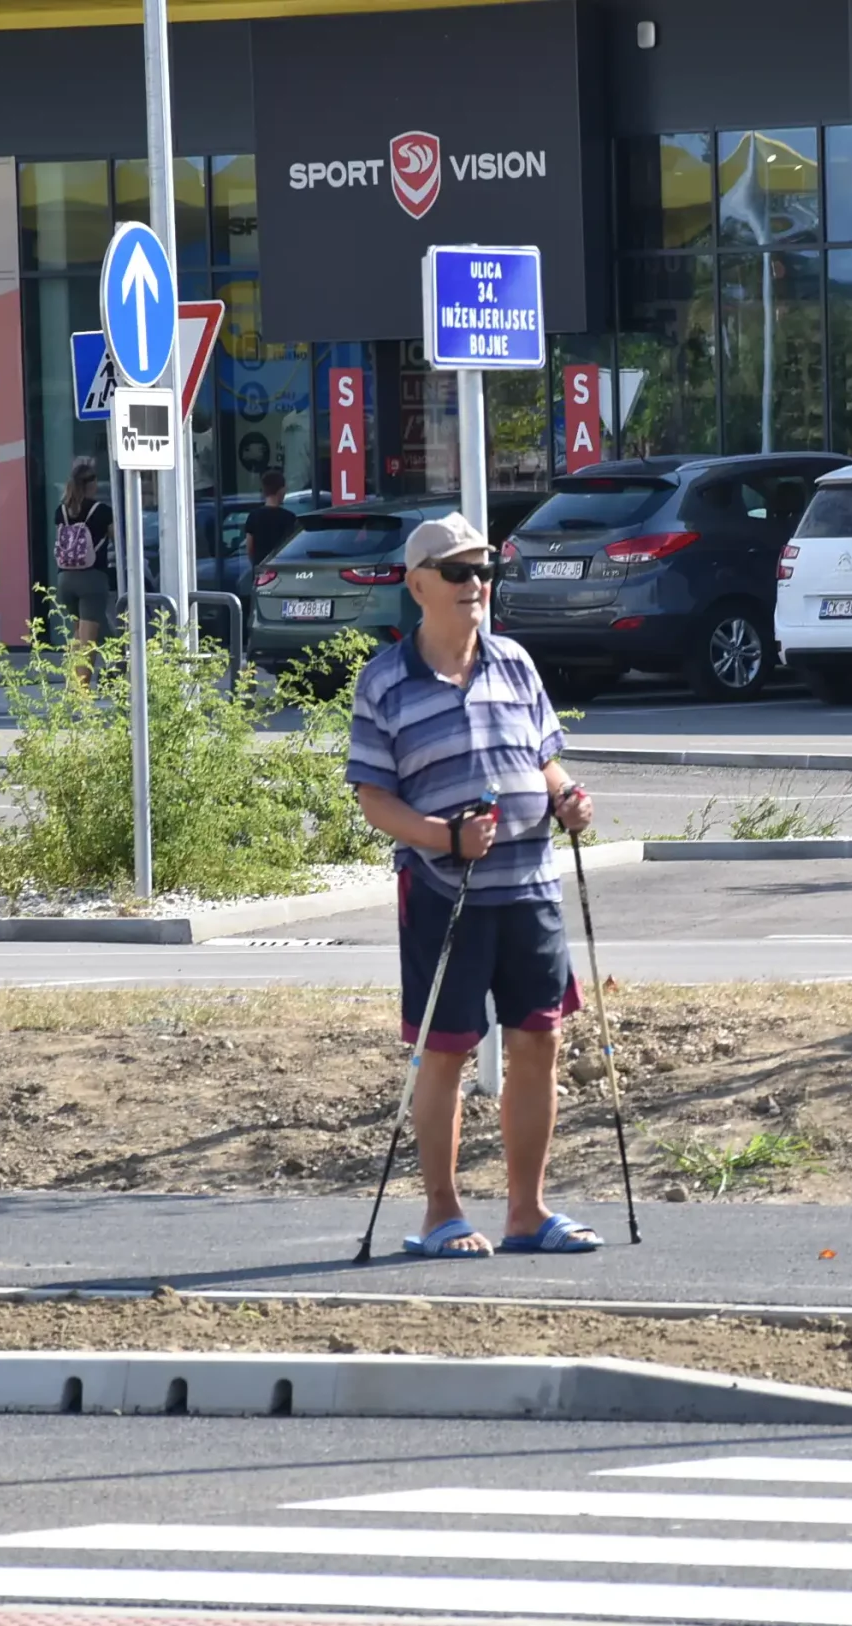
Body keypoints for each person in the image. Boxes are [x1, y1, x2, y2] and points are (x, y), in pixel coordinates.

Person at [345, 512, 600, 1259]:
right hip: (442, 892)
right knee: (447, 1052)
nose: (475, 584)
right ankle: (442, 1214)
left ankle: (528, 1211)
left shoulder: (515, 661)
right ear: (417, 583)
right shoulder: (384, 680)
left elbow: (546, 755)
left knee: (539, 1041)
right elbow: (372, 797)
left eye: (483, 571)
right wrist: (442, 837)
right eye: (458, 572)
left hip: (529, 883)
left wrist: (567, 795)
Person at [50, 457, 116, 688]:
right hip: (92, 578)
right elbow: (117, 538)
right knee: (87, 640)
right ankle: (81, 691)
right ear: (92, 484)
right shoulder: (101, 511)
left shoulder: (61, 511)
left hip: (65, 578)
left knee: (81, 634)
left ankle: (113, 671)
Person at [242, 469, 299, 574]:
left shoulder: (254, 516)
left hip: (262, 570)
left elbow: (250, 548)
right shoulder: (289, 517)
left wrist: (256, 565)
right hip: (283, 571)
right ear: (281, 490)